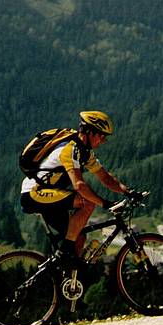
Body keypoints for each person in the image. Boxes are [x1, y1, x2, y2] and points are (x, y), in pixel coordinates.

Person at [20, 111, 131, 266]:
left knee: (78, 237)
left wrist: (128, 192)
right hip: (34, 193)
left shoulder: (84, 152)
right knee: (87, 203)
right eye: (102, 135)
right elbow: (79, 185)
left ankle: (68, 280)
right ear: (90, 132)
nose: (104, 140)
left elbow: (105, 177)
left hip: (51, 195)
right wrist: (106, 204)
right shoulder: (70, 149)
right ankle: (65, 251)